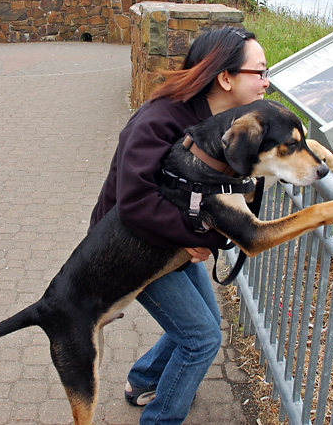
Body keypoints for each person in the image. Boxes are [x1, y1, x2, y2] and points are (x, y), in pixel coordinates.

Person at [89, 26, 270, 424]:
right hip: (130, 248)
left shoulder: (219, 118)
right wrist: (197, 237)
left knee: (205, 320)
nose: (266, 82)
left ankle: (143, 379)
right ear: (226, 78)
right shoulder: (161, 118)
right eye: (259, 72)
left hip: (167, 240)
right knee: (202, 339)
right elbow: (134, 203)